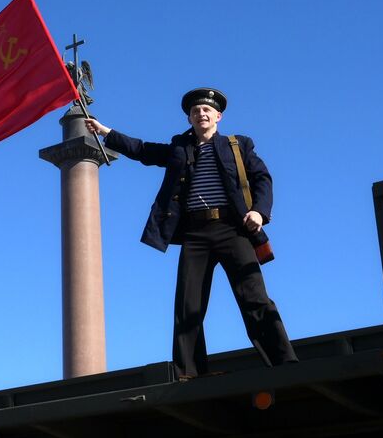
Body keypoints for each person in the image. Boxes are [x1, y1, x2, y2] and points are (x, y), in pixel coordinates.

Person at [86, 87, 297, 378]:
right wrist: (105, 131)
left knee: (255, 298)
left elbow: (262, 177)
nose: (201, 114)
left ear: (218, 116)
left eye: (207, 110)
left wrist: (259, 211)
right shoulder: (179, 149)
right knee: (188, 305)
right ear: (189, 119)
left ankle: (284, 362)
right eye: (196, 111)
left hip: (232, 229)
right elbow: (143, 150)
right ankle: (189, 373)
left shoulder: (239, 145)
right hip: (195, 234)